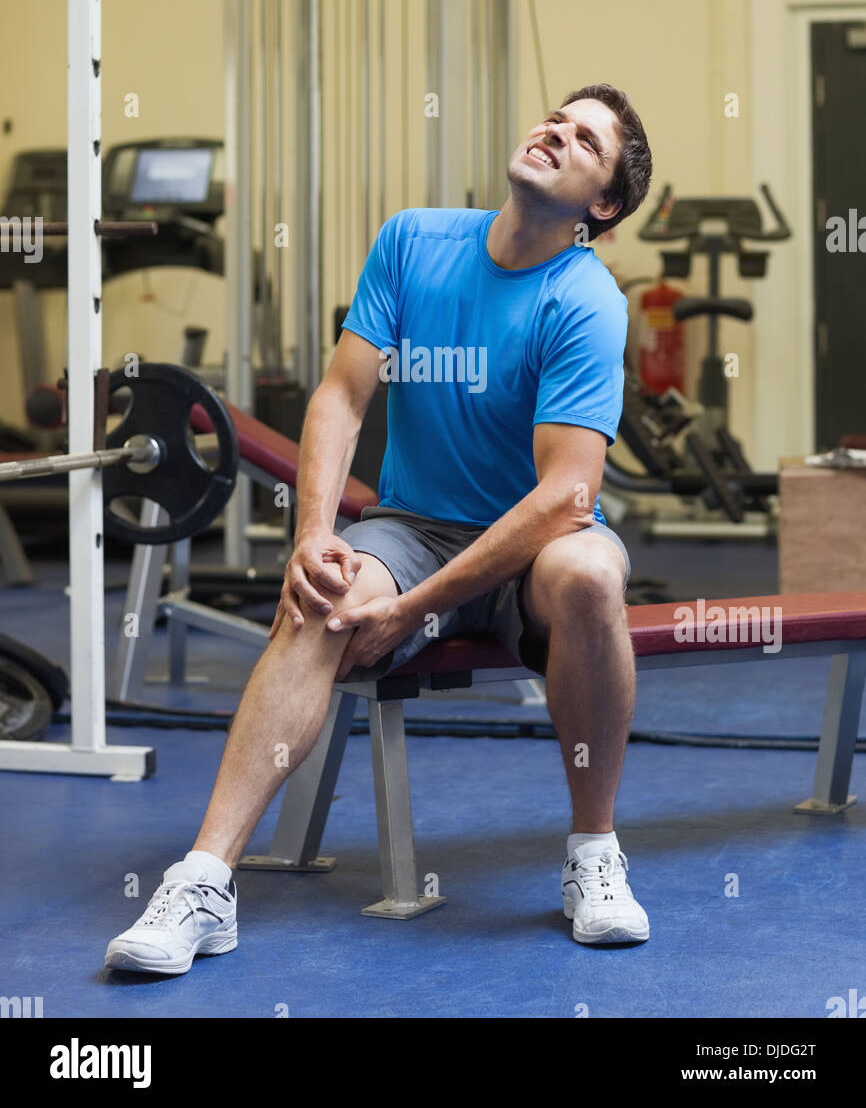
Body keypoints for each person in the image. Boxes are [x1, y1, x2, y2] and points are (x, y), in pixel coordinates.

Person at [105, 82, 653, 975]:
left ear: (602, 206)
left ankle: (594, 851)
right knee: (323, 595)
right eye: (556, 116)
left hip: (531, 548)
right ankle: (204, 881)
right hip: (410, 525)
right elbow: (342, 395)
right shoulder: (413, 240)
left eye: (584, 139)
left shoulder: (585, 299)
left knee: (592, 571)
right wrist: (314, 535)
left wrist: (419, 610)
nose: (555, 129)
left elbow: (564, 498)